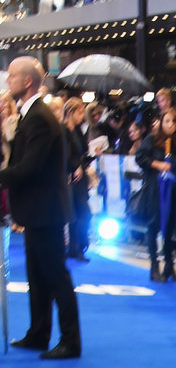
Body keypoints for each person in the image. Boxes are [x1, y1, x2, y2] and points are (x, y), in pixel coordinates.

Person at [0, 56, 82, 359]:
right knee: (37, 276)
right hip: (38, 211)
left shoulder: (38, 117)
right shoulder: (31, 114)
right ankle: (38, 333)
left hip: (46, 211)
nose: (8, 82)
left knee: (55, 276)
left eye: (12, 76)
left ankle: (70, 341)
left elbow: (29, 167)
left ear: (28, 81)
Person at [137, 107, 176, 282]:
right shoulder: (152, 139)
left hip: (174, 191)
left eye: (174, 122)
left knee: (170, 229)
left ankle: (169, 265)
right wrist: (156, 164)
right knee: (154, 226)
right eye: (167, 121)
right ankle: (154, 267)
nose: (170, 125)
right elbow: (140, 157)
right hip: (156, 191)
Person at [62, 97, 92, 261]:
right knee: (80, 213)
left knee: (81, 214)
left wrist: (91, 156)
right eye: (80, 113)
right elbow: (66, 155)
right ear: (71, 112)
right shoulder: (63, 130)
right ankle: (76, 247)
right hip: (70, 179)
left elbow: (83, 153)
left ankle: (76, 247)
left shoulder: (79, 131)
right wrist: (75, 166)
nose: (82, 117)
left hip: (80, 179)